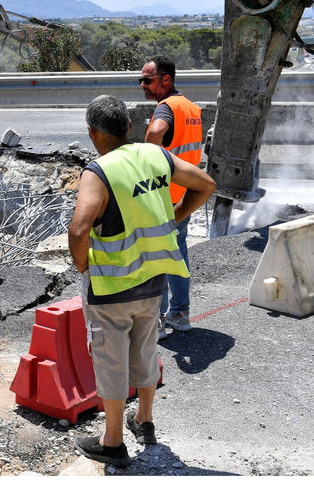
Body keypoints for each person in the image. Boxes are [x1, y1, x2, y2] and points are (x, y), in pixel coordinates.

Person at [68, 95, 215, 467]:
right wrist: (176, 217)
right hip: (153, 281)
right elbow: (205, 183)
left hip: (111, 288)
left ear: (91, 132)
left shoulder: (98, 171)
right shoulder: (154, 156)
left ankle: (113, 441)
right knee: (146, 352)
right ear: (128, 126)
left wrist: (83, 265)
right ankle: (144, 420)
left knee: (112, 362)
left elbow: (80, 227)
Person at [140, 55, 203, 337]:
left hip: (162, 198)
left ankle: (157, 322)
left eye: (148, 80)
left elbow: (156, 133)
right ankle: (180, 314)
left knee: (156, 257)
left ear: (166, 79)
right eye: (141, 80)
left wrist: (145, 161)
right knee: (178, 254)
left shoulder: (166, 108)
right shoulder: (192, 108)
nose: (143, 85)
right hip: (184, 197)